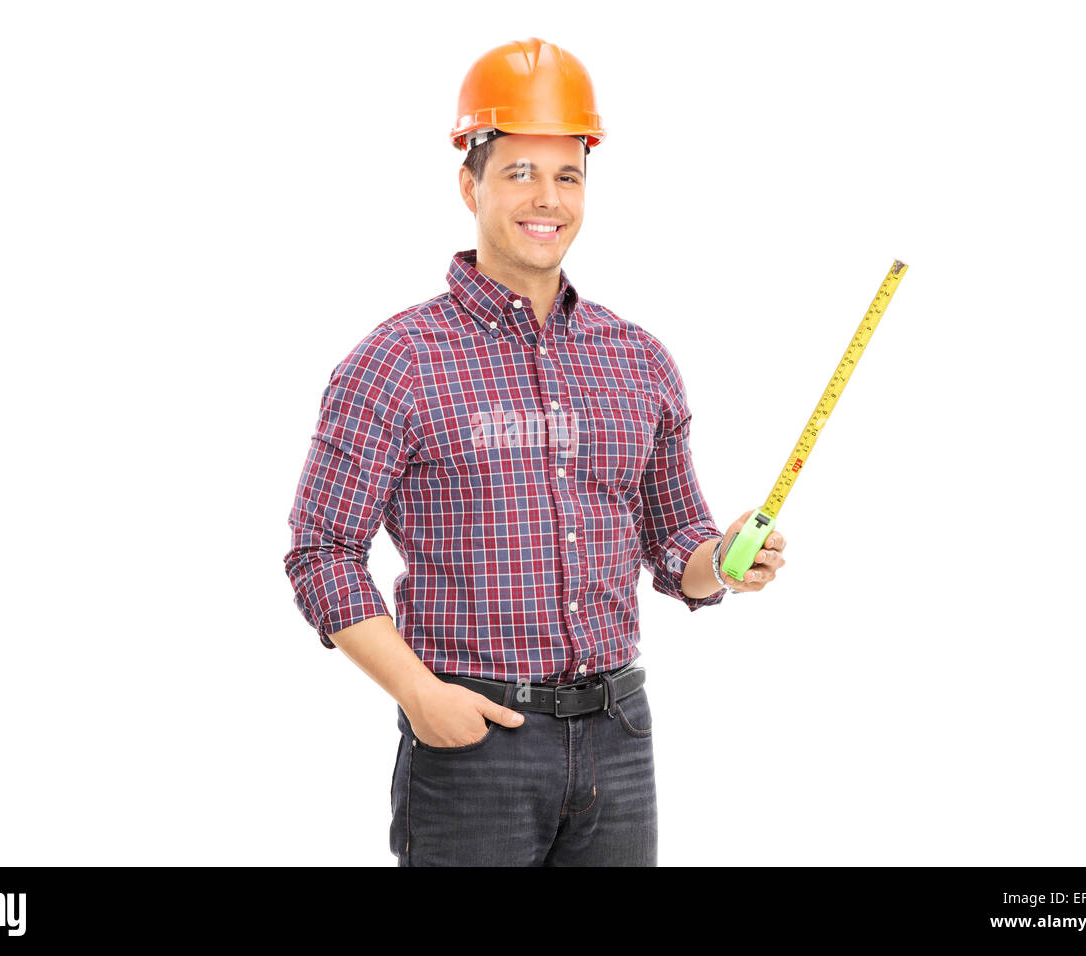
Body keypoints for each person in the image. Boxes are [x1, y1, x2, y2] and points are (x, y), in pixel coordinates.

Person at [283, 37, 786, 866]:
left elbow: (676, 546)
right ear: (469, 184)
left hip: (621, 737)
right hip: (472, 743)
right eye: (519, 172)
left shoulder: (638, 358)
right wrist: (419, 696)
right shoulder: (397, 360)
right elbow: (321, 553)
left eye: (567, 175)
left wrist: (725, 563)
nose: (546, 198)